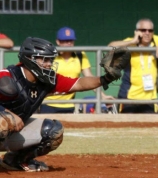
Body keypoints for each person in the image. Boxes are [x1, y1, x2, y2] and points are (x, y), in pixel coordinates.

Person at [0, 37, 128, 172]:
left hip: (10, 133)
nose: (49, 64)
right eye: (45, 59)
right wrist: (6, 113)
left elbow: (78, 83)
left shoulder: (47, 81)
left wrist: (106, 78)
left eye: (50, 60)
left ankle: (14, 161)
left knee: (53, 131)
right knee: (3, 121)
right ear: (30, 58)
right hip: (4, 124)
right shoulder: (7, 77)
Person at [108, 18, 158, 113]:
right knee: (127, 126)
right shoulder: (131, 42)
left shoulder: (156, 41)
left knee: (151, 126)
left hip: (149, 97)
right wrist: (132, 42)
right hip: (129, 96)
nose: (147, 33)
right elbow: (110, 46)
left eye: (150, 30)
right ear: (137, 32)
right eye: (143, 30)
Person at [39, 27, 114, 113]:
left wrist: (102, 96)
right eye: (65, 41)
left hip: (69, 104)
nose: (68, 43)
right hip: (48, 103)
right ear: (58, 42)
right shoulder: (50, 57)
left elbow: (89, 78)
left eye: (71, 40)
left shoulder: (80, 55)